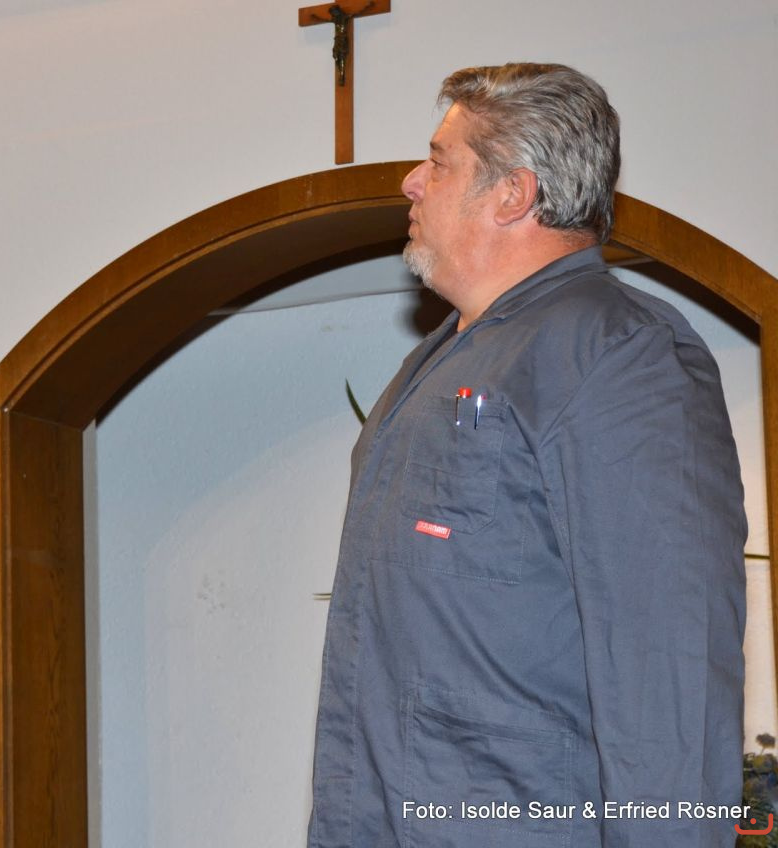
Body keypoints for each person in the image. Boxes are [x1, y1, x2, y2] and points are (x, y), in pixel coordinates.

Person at [308, 63, 746, 847]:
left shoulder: (617, 354)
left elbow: (668, 666)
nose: (411, 182)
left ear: (512, 194)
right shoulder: (437, 361)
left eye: (439, 162)